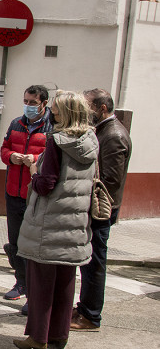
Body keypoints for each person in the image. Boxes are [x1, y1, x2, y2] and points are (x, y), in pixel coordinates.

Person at [13, 91, 96, 349]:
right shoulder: (91, 141)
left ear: (65, 113)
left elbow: (46, 184)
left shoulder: (57, 142)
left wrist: (34, 172)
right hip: (75, 220)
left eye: (57, 110)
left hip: (50, 222)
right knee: (65, 280)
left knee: (41, 283)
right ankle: (59, 334)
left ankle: (38, 337)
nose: (53, 114)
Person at [71, 89, 132, 331]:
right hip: (97, 208)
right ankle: (85, 307)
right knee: (88, 261)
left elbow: (110, 180)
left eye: (89, 107)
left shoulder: (114, 135)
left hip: (101, 210)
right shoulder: (104, 131)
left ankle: (90, 315)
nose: (86, 112)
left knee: (95, 262)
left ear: (102, 108)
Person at [0, 84, 52, 306]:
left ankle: (33, 286)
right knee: (16, 240)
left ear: (44, 104)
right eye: (26, 102)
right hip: (14, 191)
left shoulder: (52, 127)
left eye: (33, 102)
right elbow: (4, 149)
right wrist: (12, 156)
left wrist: (34, 159)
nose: (28, 106)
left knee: (34, 243)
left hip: (37, 195)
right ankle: (19, 282)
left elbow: (52, 157)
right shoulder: (16, 123)